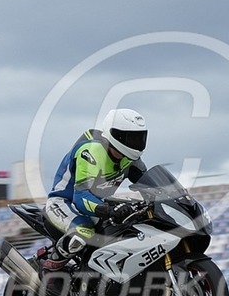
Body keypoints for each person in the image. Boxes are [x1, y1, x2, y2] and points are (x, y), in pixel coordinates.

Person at [40, 108, 148, 271]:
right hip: (64, 202)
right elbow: (81, 197)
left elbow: (150, 184)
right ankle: (50, 269)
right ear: (116, 135)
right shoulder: (91, 152)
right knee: (84, 232)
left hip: (98, 205)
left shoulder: (130, 159)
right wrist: (109, 210)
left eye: (140, 137)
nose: (137, 143)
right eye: (132, 138)